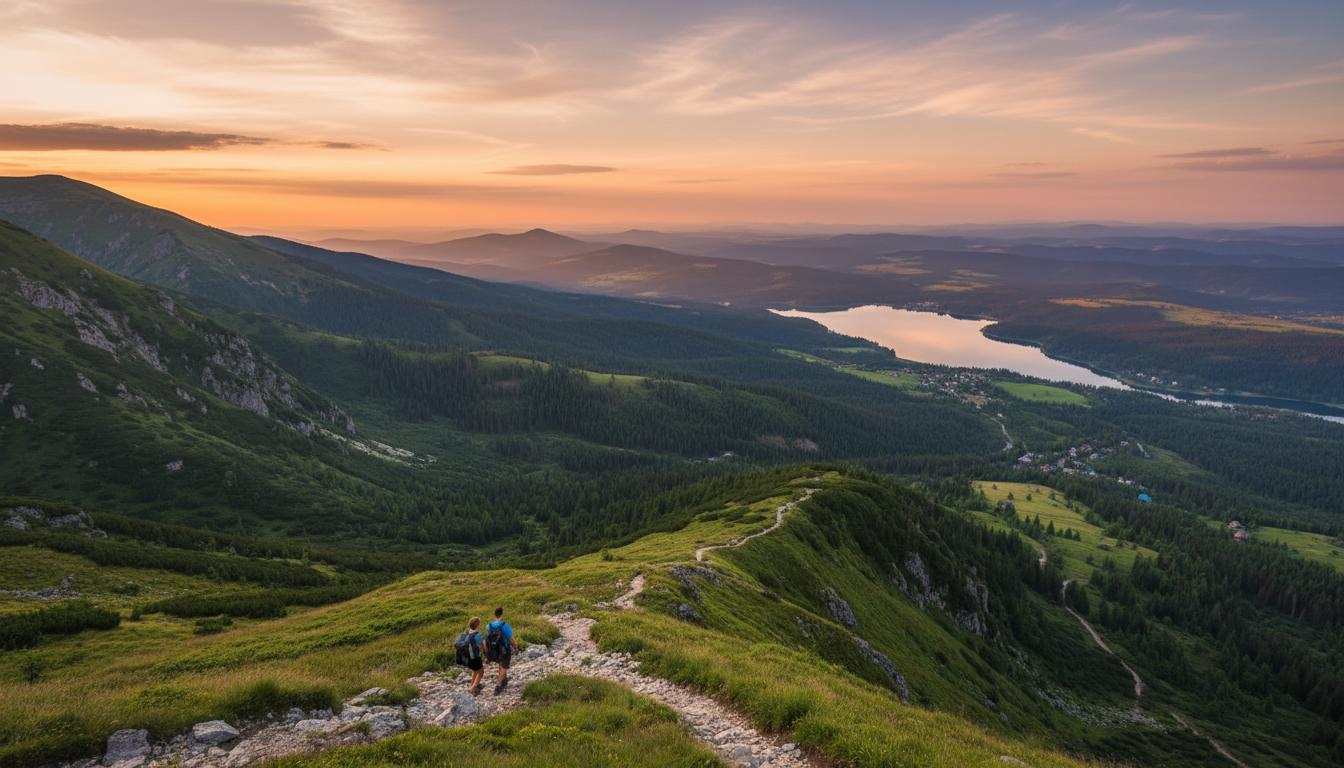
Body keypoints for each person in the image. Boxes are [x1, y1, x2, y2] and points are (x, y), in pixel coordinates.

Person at [485, 606, 518, 693]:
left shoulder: (488, 626)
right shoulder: (504, 625)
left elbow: (487, 639)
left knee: (500, 663)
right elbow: (510, 639)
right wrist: (515, 647)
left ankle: (504, 679)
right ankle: (498, 685)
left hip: (494, 649)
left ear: (494, 615)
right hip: (505, 649)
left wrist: (487, 654)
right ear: (502, 615)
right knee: (504, 666)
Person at [462, 617, 485, 695]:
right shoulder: (477, 635)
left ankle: (473, 684)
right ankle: (472, 689)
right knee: (481, 672)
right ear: (477, 625)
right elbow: (481, 647)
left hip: (468, 657)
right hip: (475, 657)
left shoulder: (467, 633)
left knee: (475, 670)